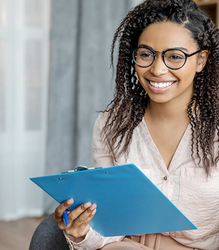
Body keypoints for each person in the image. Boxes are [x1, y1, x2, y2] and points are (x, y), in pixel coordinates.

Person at [54, 0, 219, 249]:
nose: (157, 69)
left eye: (175, 56)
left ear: (201, 60)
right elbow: (108, 226)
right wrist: (80, 232)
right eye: (146, 54)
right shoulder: (111, 125)